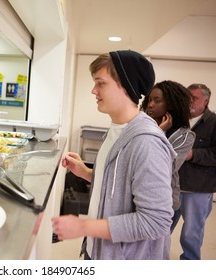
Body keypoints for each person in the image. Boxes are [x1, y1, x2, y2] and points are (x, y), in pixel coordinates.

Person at [51, 50, 176, 260]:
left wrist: (84, 226)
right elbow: (122, 184)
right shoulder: (116, 129)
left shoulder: (146, 142)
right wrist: (87, 173)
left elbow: (156, 221)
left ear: (126, 86)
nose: (93, 90)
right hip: (98, 251)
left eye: (101, 83)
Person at [140, 80, 195, 232]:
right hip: (138, 198)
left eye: (157, 101)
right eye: (150, 100)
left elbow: (166, 166)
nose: (150, 104)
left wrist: (158, 132)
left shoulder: (185, 136)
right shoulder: (140, 125)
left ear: (171, 104)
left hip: (165, 203)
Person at [177, 83, 216, 260]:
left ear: (206, 101)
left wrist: (192, 154)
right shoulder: (178, 120)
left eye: (195, 98)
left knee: (191, 233)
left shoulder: (214, 122)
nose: (190, 101)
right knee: (161, 226)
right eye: (188, 97)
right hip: (172, 185)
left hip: (198, 189)